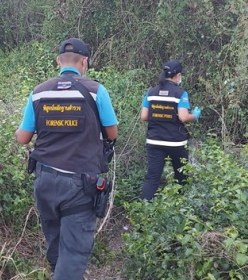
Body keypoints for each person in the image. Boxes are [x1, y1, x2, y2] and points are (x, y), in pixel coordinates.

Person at [15, 38, 118, 280]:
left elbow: (22, 138)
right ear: (85, 62)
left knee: (55, 242)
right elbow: (112, 133)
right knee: (73, 253)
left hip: (45, 181)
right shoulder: (95, 91)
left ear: (58, 62)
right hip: (79, 185)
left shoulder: (39, 92)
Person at [140, 59, 201, 200]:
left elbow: (144, 116)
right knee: (181, 176)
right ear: (177, 75)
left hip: (154, 142)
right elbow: (184, 117)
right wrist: (195, 116)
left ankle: (143, 211)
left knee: (152, 177)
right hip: (176, 143)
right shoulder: (180, 94)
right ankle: (181, 208)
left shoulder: (151, 92)